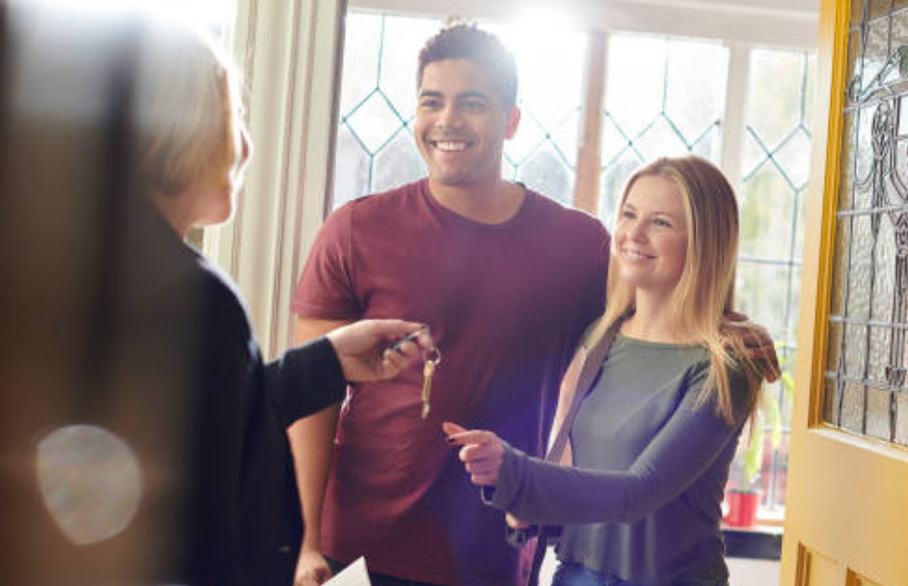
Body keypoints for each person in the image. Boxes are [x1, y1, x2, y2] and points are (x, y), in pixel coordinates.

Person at [289, 23, 777, 586]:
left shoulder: (576, 245)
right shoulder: (355, 229)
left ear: (510, 120)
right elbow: (310, 396)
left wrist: (731, 332)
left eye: (471, 104)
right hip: (362, 549)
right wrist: (305, 541)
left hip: (497, 554)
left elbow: (659, 304)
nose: (447, 120)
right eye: (432, 101)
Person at [1, 10, 430, 586]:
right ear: (176, 125)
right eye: (235, 117)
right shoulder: (190, 298)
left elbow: (192, 422)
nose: (247, 148)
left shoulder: (76, 265)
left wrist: (324, 363)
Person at [446, 156, 767, 586]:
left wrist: (516, 473)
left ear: (705, 242)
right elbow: (575, 471)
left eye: (660, 223)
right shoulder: (599, 338)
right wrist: (527, 506)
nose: (633, 234)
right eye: (629, 215)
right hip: (575, 576)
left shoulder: (725, 366)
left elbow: (638, 491)